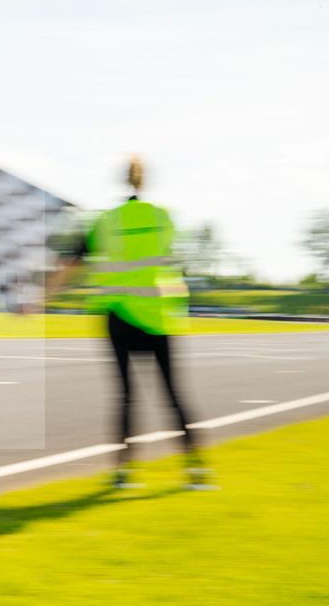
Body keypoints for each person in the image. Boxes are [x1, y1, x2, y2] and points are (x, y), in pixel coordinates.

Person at [48, 155, 214, 489]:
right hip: (157, 316)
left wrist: (42, 298)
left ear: (122, 180)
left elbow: (69, 265)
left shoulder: (102, 222)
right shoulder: (164, 217)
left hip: (118, 316)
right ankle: (197, 472)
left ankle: (125, 473)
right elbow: (165, 254)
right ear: (144, 180)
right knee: (173, 392)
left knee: (125, 395)